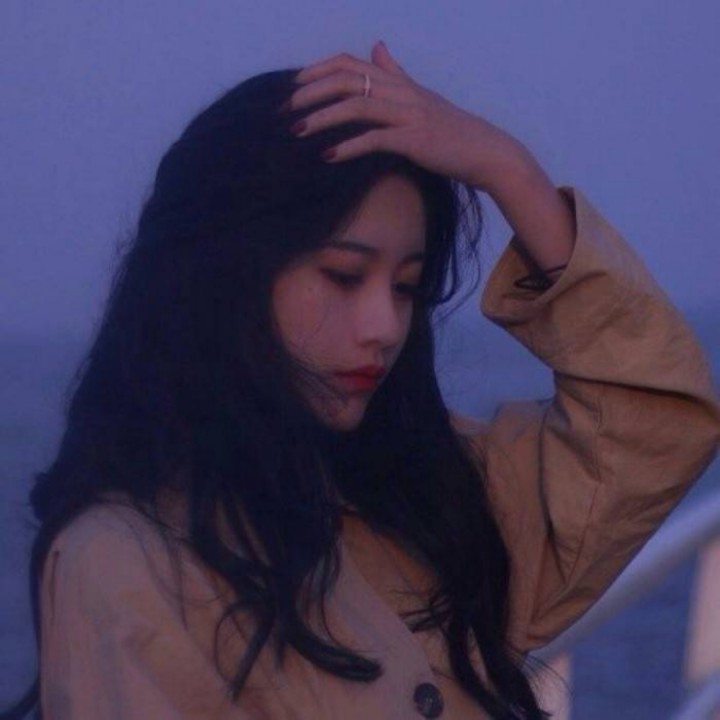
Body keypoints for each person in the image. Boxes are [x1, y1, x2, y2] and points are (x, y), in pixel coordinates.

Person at [5, 41, 719, 720]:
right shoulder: (125, 563)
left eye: (407, 286)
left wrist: (509, 171)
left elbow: (650, 422)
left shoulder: (432, 500)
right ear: (224, 278)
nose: (385, 325)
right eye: (344, 275)